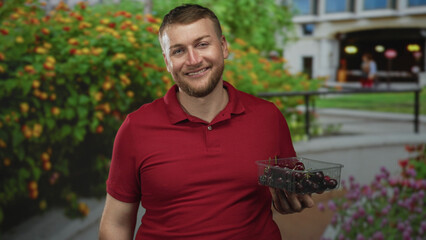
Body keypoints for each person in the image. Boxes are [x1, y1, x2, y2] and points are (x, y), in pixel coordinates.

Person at [99, 4, 314, 240]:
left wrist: (292, 199)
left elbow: (291, 190)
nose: (193, 59)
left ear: (223, 47)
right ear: (167, 60)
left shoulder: (268, 117)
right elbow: (115, 224)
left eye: (202, 44)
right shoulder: (136, 128)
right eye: (178, 51)